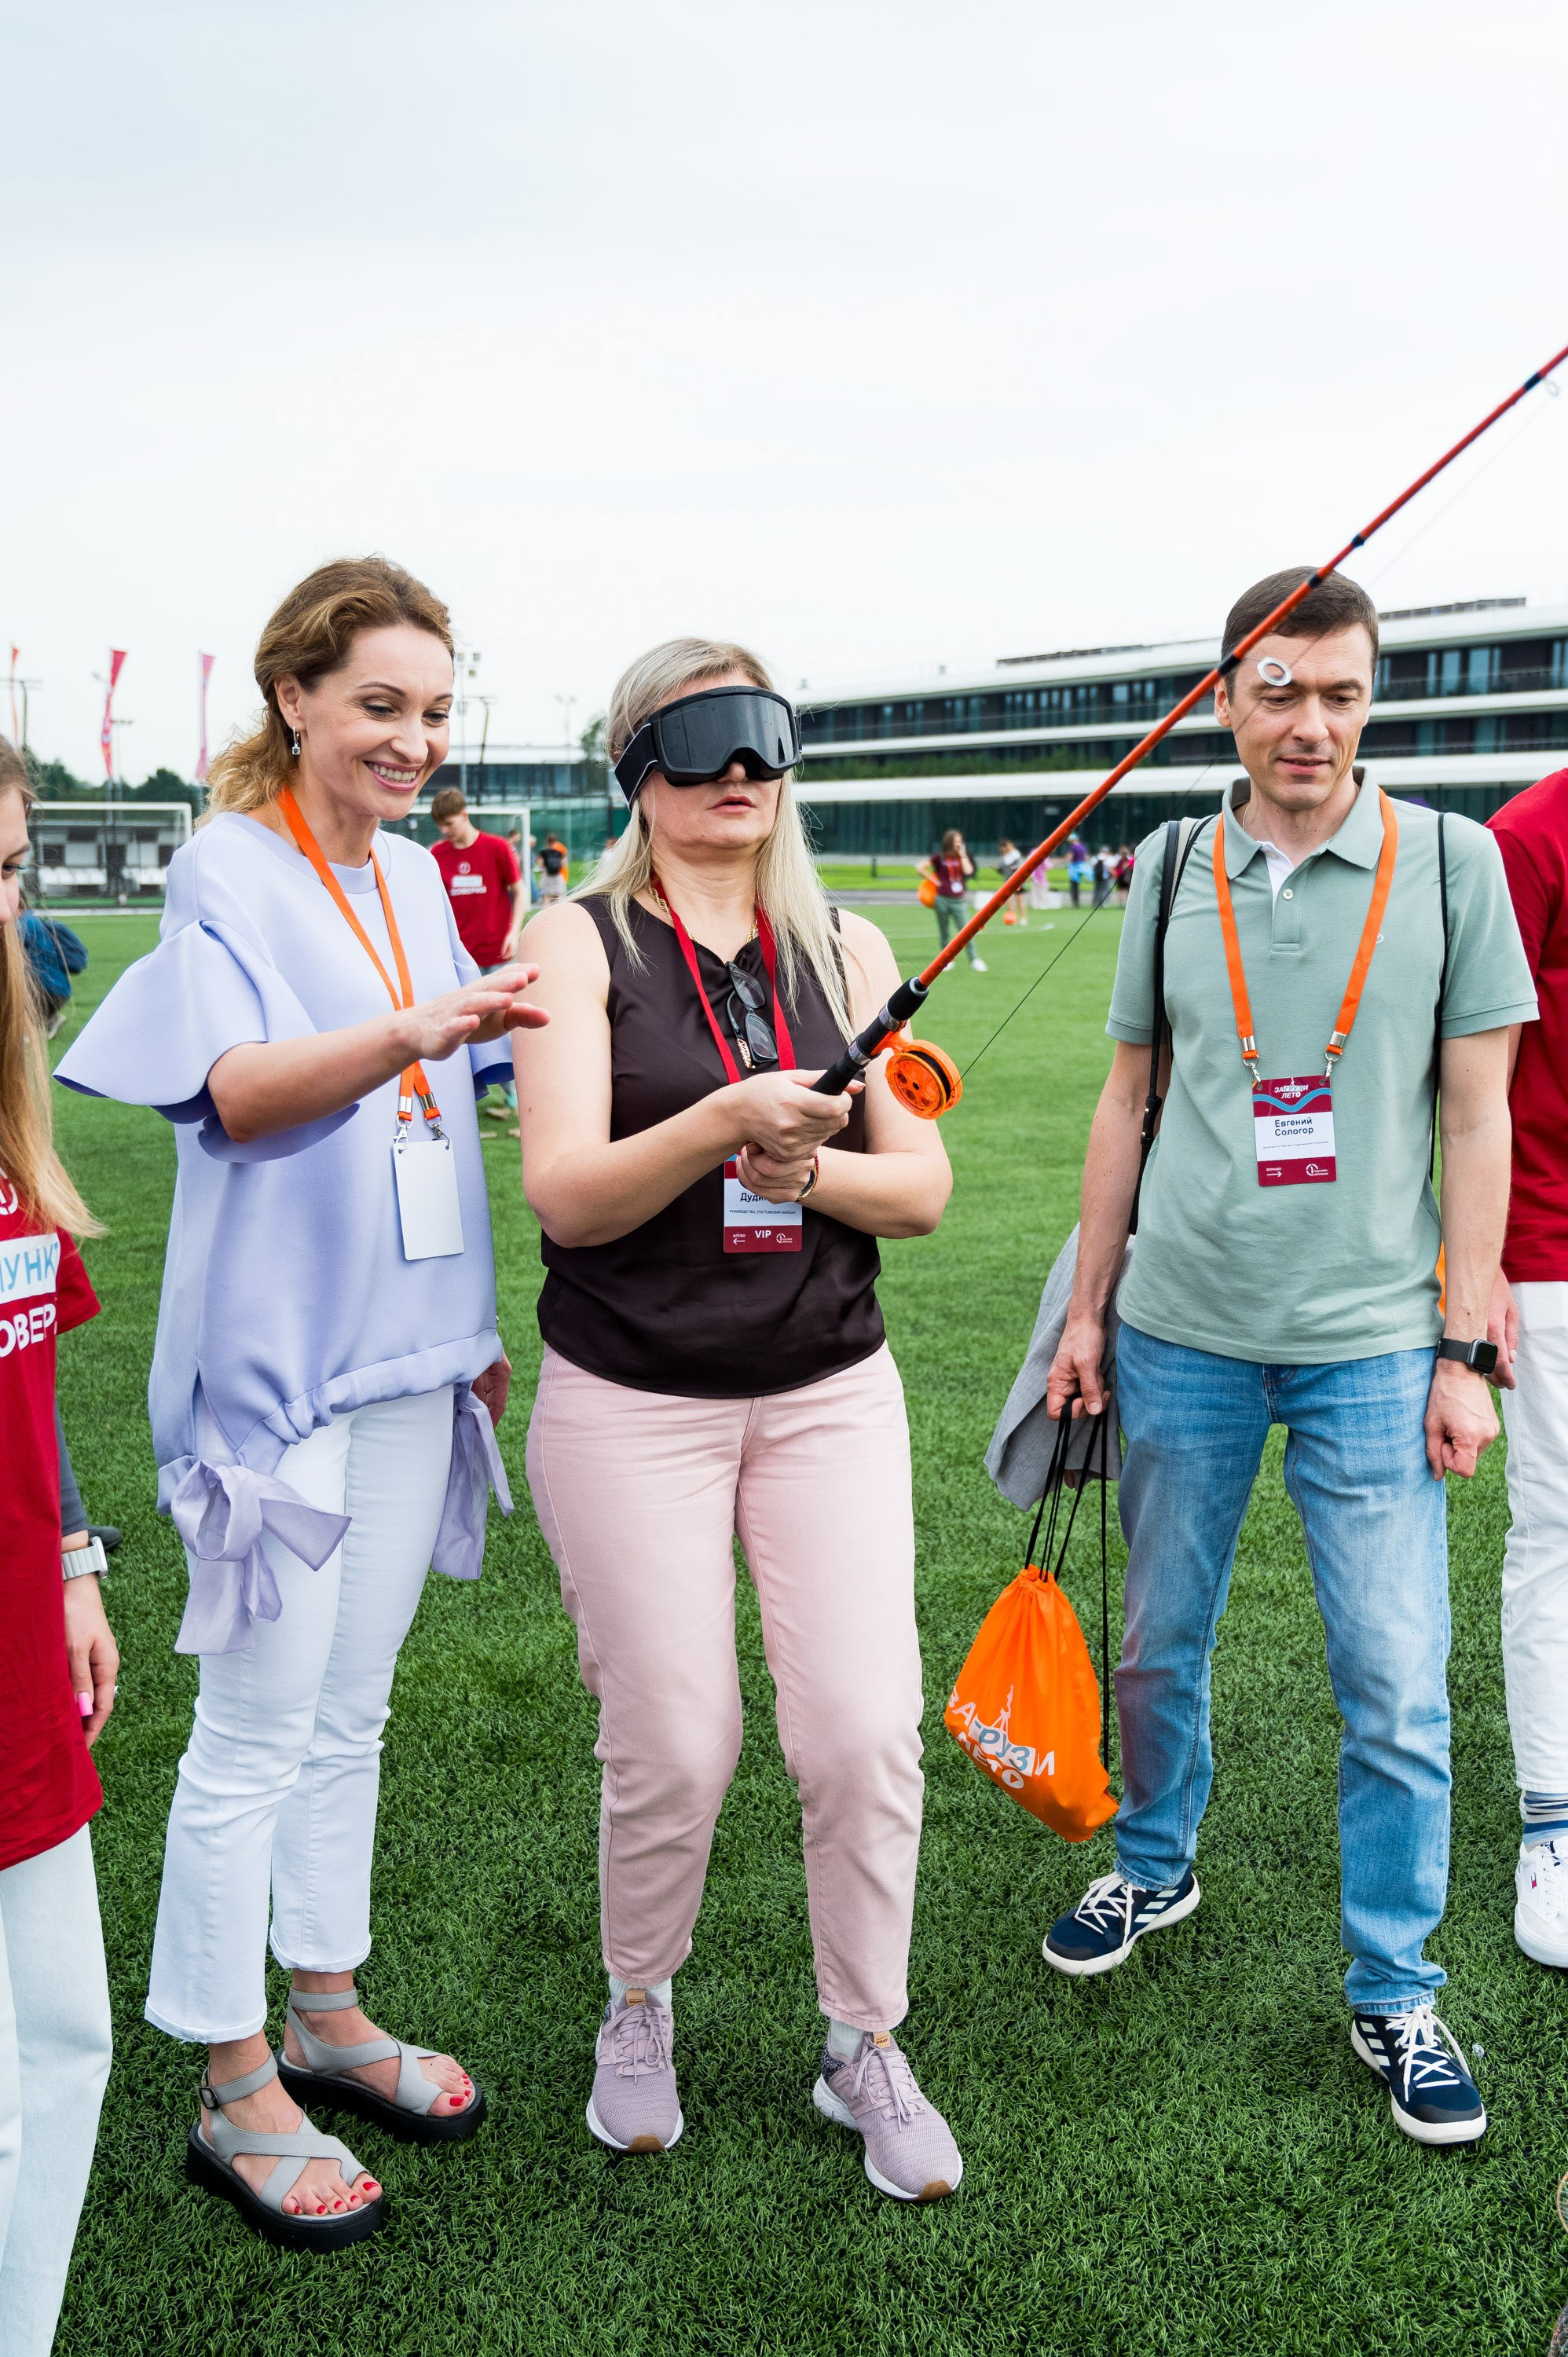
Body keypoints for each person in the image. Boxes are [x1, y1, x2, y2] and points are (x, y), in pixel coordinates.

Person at [57, 558, 548, 2249]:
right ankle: (228, 2073)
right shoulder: (219, 868)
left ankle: (328, 2011)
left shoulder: (417, 876)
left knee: (357, 1711)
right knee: (257, 1731)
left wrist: (472, 1320)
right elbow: (242, 1098)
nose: (412, 740)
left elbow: (441, 1121)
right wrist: (414, 1030)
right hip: (277, 1369)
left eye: (431, 709)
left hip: (409, 1352)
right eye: (379, 707)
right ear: (295, 701)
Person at [1044, 567, 1535, 2149]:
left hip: (1374, 1346)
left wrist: (1463, 1343)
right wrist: (1081, 1312)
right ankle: (1153, 1857)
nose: (1306, 723)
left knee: (1392, 1681)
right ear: (1225, 700)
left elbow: (1477, 1118)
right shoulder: (1169, 864)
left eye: (1335, 692)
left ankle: (1392, 1987)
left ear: (1366, 700)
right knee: (1150, 1644)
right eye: (1276, 691)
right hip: (1178, 1328)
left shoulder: (1451, 864)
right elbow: (1124, 1100)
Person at [516, 637, 963, 2202]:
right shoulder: (571, 944)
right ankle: (636, 2010)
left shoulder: (841, 944)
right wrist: (719, 1119)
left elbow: (916, 1186)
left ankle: (864, 2041)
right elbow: (565, 1197)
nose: (738, 776)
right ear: (635, 762)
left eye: (763, 746)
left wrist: (807, 1172)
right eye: (702, 744)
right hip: (631, 1401)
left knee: (859, 1731)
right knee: (676, 1739)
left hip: (827, 1391)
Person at [0, 739, 116, 2356]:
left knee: (65, 2045)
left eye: (7, 865)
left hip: (25, 1641)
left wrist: (78, 1553)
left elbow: (25, 1365)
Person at [1485, 768, 1568, 1967]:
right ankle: (1555, 1828)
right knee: (1558, 1527)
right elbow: (1471, 1070)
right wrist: (1480, 1264)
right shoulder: (1532, 833)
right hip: (1553, 1242)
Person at [430, 784, 526, 1124]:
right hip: (457, 960)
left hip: (497, 956)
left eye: (450, 823)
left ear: (465, 815)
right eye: (441, 825)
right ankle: (470, 1092)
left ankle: (519, 1094)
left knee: (505, 1027)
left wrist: (514, 930)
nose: (445, 831)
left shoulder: (497, 848)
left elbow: (520, 890)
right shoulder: (437, 855)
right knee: (462, 1029)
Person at [16, 898, 87, 1038]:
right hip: (60, 991)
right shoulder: (36, 922)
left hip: (45, 991)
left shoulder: (24, 924)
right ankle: (50, 1019)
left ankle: (27, 1031)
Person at [918, 830, 987, 971]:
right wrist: (934, 881)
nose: (959, 844)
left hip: (959, 900)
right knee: (944, 931)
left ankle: (974, 959)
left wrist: (963, 854)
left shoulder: (962, 857)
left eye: (960, 841)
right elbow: (920, 868)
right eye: (956, 841)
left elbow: (968, 871)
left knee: (967, 931)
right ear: (949, 842)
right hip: (942, 899)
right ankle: (946, 961)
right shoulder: (940, 858)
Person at [536, 834, 570, 902]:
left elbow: (541, 865)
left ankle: (546, 910)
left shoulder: (544, 852)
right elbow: (564, 864)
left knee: (546, 896)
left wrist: (541, 869)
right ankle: (560, 910)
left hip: (547, 874)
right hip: (558, 874)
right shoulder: (561, 850)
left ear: (547, 841)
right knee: (559, 895)